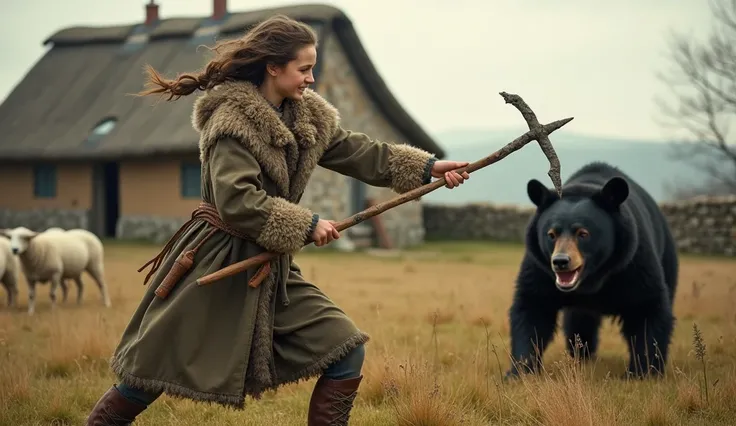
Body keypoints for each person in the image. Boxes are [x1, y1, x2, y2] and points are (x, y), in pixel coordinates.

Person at [85, 14, 469, 426]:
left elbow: (359, 151)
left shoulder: (309, 117)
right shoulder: (231, 123)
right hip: (218, 259)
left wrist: (427, 167)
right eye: (304, 69)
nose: (311, 79)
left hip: (271, 268)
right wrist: (306, 224)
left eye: (312, 69)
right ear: (273, 67)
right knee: (150, 371)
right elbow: (236, 201)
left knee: (345, 346)